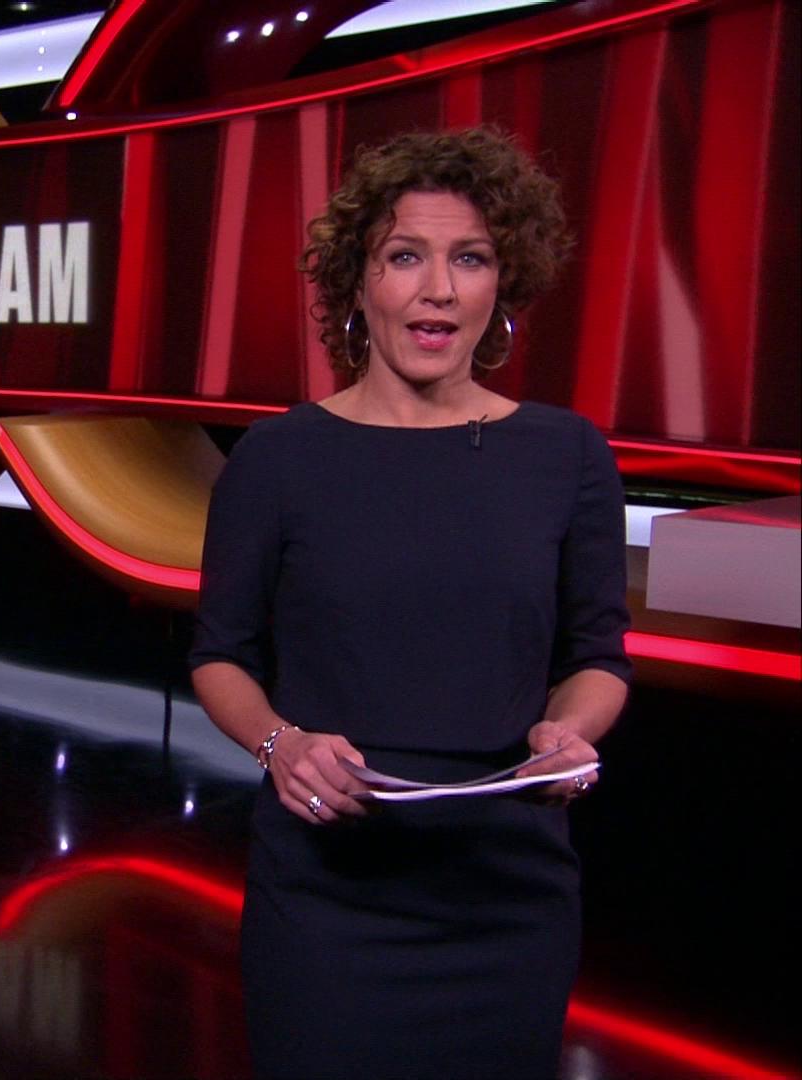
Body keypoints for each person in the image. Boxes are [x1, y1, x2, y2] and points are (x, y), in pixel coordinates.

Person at [187, 126, 631, 1078]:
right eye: (404, 257)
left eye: (469, 258)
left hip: (507, 895)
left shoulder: (568, 456)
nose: (438, 288)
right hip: (329, 898)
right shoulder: (278, 459)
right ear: (357, 282)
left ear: (501, 284)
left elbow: (598, 656)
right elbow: (220, 655)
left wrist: (570, 731)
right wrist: (280, 744)